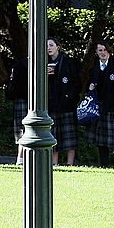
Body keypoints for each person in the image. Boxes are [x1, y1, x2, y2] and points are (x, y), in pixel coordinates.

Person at [87, 40, 114, 168]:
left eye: (104, 50)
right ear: (96, 52)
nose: (102, 52)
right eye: (99, 50)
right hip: (99, 107)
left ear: (109, 50)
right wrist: (91, 86)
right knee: (101, 141)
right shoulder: (96, 65)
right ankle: (104, 166)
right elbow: (93, 81)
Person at [47, 38, 80, 166]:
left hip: (67, 104)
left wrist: (69, 96)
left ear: (58, 47)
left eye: (51, 45)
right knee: (53, 134)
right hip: (51, 103)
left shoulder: (68, 62)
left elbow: (76, 82)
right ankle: (54, 163)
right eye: (46, 46)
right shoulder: (45, 62)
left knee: (69, 136)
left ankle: (70, 163)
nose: (48, 48)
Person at [8, 56, 28, 165]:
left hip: (30, 99)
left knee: (24, 129)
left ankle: (21, 159)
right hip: (22, 98)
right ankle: (20, 159)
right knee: (23, 129)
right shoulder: (21, 65)